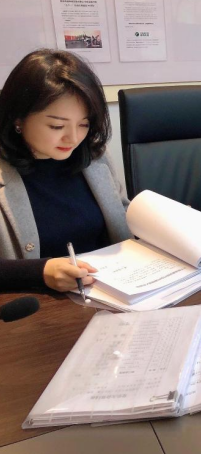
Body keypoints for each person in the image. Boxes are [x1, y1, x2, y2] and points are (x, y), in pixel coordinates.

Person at [0, 49, 131, 291]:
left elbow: (120, 214)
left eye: (83, 124)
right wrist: (40, 272)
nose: (73, 138)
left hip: (110, 290)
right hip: (38, 305)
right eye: (57, 126)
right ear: (18, 118)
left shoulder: (94, 156)